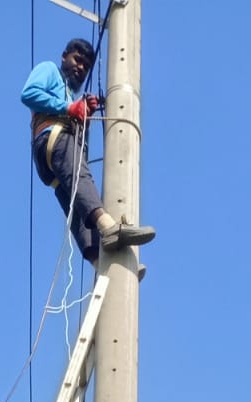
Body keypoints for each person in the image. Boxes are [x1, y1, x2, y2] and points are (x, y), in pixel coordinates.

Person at [21, 37, 156, 267]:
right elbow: (29, 93)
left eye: (85, 65)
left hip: (50, 157)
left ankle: (101, 264)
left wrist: (83, 113)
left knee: (76, 206)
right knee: (81, 177)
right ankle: (108, 226)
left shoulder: (69, 94)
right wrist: (69, 108)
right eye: (77, 60)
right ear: (64, 56)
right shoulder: (49, 70)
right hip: (52, 140)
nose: (80, 67)